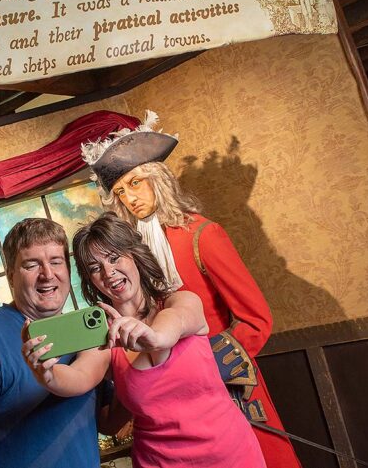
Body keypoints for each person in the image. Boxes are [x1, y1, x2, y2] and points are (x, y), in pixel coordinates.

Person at [82, 112, 301, 468]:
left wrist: (213, 367)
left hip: (227, 382)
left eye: (136, 183)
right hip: (165, 397)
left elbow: (255, 319)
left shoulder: (201, 235)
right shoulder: (129, 255)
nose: (130, 197)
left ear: (157, 178)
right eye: (121, 191)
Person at [23, 212, 266, 468]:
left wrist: (153, 337)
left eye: (114, 258)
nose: (109, 272)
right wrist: (47, 375)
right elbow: (79, 377)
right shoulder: (106, 337)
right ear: (90, 280)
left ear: (135, 255)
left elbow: (175, 322)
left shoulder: (180, 301)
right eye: (95, 268)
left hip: (234, 456)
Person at [0, 218, 100, 468]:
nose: (47, 275)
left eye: (56, 262)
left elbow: (111, 422)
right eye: (31, 264)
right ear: (11, 275)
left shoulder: (85, 335)